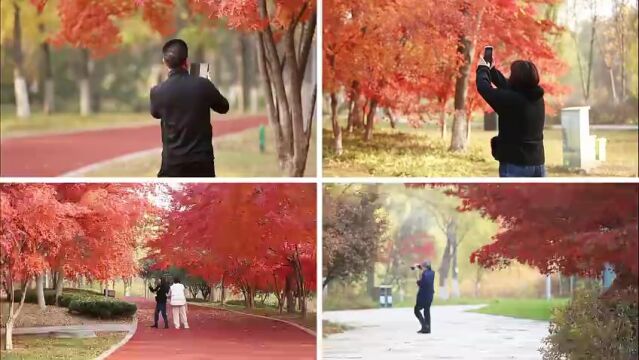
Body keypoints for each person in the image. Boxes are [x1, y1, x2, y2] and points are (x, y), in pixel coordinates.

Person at [150, 38, 230, 178]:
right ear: (186, 61)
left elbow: (155, 113)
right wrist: (205, 83)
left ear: (165, 62)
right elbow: (224, 107)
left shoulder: (157, 91)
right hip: (202, 162)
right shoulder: (203, 85)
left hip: (172, 164)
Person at [476, 53, 546, 177]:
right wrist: (491, 71)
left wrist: (482, 69)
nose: (510, 77)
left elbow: (484, 88)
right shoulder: (537, 98)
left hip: (515, 164)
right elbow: (510, 86)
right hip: (538, 163)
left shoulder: (512, 100)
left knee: (511, 197)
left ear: (516, 79)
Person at [414, 260, 435, 334]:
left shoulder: (425, 274)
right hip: (430, 296)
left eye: (423, 267)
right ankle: (428, 328)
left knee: (416, 310)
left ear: (425, 267)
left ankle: (424, 326)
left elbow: (422, 283)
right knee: (427, 311)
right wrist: (419, 268)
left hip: (423, 296)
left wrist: (418, 281)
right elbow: (426, 273)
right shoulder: (432, 273)